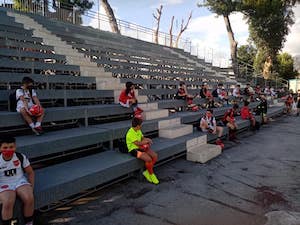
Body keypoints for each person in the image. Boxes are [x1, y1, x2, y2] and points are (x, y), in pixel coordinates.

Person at [0, 136, 35, 225]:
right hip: (4, 183)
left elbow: (30, 172)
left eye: (11, 147)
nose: (8, 150)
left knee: (29, 198)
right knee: (8, 201)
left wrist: (31, 186)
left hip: (19, 181)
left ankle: (29, 222)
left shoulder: (20, 157)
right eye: (5, 147)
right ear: (0, 148)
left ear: (15, 147)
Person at [126, 118, 159, 184]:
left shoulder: (138, 130)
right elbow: (137, 143)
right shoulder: (130, 133)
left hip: (141, 147)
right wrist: (146, 142)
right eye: (141, 125)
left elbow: (142, 138)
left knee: (155, 156)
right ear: (137, 126)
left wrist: (148, 139)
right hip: (134, 150)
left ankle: (147, 172)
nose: (141, 126)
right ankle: (151, 174)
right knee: (148, 159)